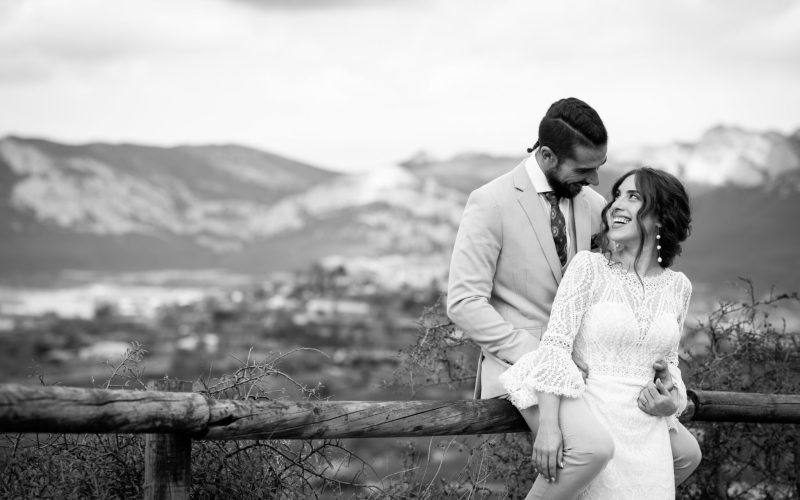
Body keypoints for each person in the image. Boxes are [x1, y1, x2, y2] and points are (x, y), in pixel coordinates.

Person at [446, 98, 700, 498]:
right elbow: (464, 302)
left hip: (595, 368)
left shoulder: (597, 205)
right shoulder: (490, 202)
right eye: (585, 169)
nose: (597, 180)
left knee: (685, 453)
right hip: (524, 361)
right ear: (547, 155)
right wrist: (541, 353)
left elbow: (621, 279)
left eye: (600, 166)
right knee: (592, 449)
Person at [500, 167, 696, 498]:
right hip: (593, 407)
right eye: (616, 195)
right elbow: (556, 346)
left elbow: (670, 363)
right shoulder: (588, 267)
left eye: (633, 197)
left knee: (687, 456)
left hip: (644, 424)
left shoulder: (679, 287)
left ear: (663, 215)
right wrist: (549, 428)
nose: (616, 205)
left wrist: (670, 398)